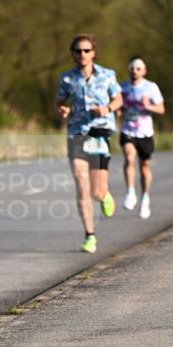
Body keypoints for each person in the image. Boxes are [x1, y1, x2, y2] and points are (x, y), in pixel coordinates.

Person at [56, 34, 123, 254]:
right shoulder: (67, 79)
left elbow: (118, 99)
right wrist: (62, 109)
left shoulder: (107, 75)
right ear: (73, 54)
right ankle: (89, 235)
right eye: (78, 51)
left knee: (95, 191)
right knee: (80, 182)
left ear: (93, 52)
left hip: (99, 134)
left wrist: (107, 109)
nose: (82, 54)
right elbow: (59, 101)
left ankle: (104, 195)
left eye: (86, 50)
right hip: (76, 133)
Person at [119, 57, 165, 219]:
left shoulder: (151, 87)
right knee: (129, 157)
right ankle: (130, 192)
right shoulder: (122, 87)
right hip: (128, 130)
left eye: (138, 68)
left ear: (144, 71)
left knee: (144, 166)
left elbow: (161, 108)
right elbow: (117, 107)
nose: (135, 71)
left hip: (145, 132)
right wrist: (118, 111)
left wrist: (148, 106)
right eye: (132, 68)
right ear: (129, 70)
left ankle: (145, 198)